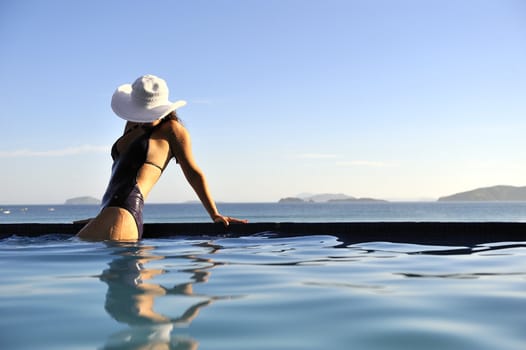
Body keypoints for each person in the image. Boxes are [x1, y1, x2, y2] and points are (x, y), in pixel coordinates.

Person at [77, 74, 247, 241]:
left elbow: (193, 174)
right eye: (139, 112)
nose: (142, 118)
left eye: (146, 113)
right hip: (111, 213)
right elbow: (121, 171)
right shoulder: (132, 123)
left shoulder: (172, 130)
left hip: (123, 214)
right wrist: (102, 216)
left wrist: (214, 214)